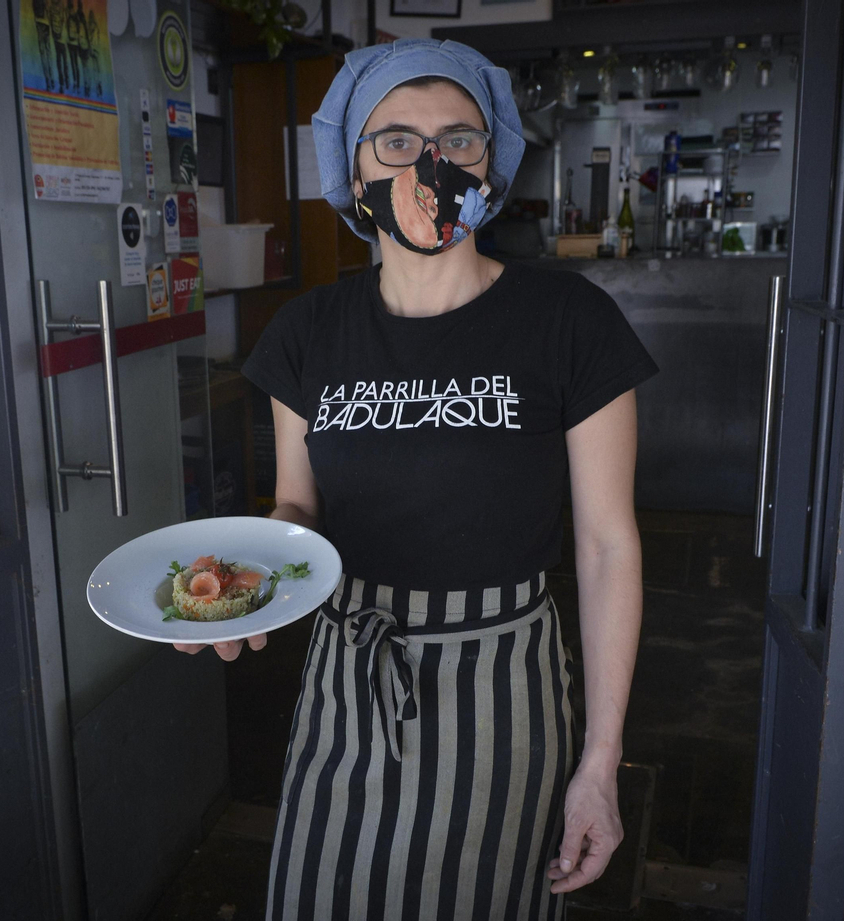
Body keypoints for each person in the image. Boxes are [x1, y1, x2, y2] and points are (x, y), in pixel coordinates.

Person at [176, 37, 655, 920]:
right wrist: (237, 592)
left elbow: (606, 544)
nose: (430, 162)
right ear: (351, 171)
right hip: (347, 677)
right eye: (395, 140)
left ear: (493, 159)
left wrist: (601, 759)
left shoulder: (569, 322)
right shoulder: (307, 331)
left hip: (502, 688)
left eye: (458, 139)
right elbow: (296, 510)